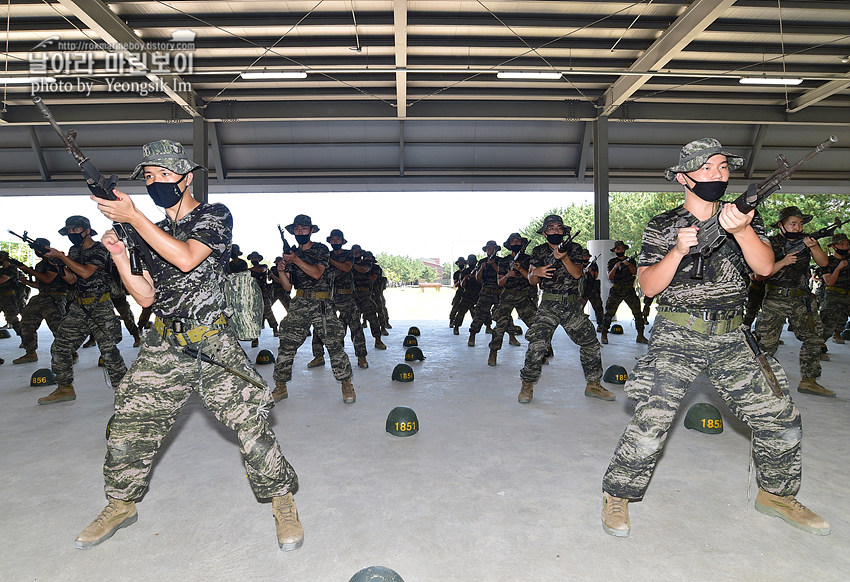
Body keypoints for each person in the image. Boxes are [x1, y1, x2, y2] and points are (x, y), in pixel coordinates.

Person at [74, 140, 302, 551]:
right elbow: (145, 297)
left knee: (251, 423)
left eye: (164, 174)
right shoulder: (148, 230)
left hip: (211, 341)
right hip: (165, 341)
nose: (155, 182)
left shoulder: (213, 216)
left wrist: (134, 218)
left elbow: (185, 258)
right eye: (148, 176)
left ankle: (281, 500)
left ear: (187, 177)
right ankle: (121, 504)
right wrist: (122, 257)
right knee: (130, 424)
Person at [601, 137, 829, 538]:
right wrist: (676, 251)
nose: (719, 174)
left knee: (781, 417)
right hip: (677, 333)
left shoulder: (748, 219)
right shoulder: (662, 224)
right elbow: (649, 287)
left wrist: (741, 231)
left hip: (732, 335)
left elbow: (764, 268)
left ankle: (775, 495)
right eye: (708, 168)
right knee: (652, 422)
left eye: (724, 167)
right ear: (685, 178)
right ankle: (618, 495)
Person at [518, 215, 612, 403]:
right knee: (537, 345)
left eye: (559, 228)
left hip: (571, 305)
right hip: (548, 304)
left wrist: (565, 257)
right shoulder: (538, 251)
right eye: (551, 228)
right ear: (545, 232)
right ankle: (527, 385)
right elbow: (532, 279)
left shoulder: (574, 248)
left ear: (564, 231)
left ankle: (593, 384)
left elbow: (577, 274)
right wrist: (534, 273)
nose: (555, 231)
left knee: (590, 343)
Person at [37, 216, 127, 405]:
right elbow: (72, 279)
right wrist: (60, 265)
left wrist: (62, 257)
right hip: (79, 306)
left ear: (87, 230)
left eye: (75, 230)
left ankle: (125, 394)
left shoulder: (100, 249)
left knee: (109, 352)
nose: (71, 234)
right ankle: (65, 388)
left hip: (100, 306)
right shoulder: (74, 251)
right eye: (68, 231)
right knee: (60, 347)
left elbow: (87, 272)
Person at [272, 215, 355, 403]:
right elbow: (287, 287)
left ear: (311, 230)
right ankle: (280, 386)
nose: (300, 232)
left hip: (322, 304)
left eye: (304, 229)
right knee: (287, 344)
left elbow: (317, 273)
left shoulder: (320, 249)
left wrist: (296, 260)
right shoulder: (292, 252)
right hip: (299, 302)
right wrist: (280, 270)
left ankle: (346, 383)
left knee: (334, 344)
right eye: (297, 229)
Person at [754, 206, 832, 397]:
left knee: (814, 338)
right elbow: (758, 275)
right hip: (775, 298)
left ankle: (809, 381)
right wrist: (783, 262)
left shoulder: (807, 242)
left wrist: (814, 246)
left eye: (801, 224)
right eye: (793, 223)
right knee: (765, 343)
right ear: (781, 225)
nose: (798, 228)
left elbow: (824, 264)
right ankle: (759, 382)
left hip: (802, 300)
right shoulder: (769, 243)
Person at [309, 229, 370, 369]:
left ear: (343, 241)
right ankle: (318, 356)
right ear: (329, 241)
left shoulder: (348, 254)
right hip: (327, 295)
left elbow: (347, 268)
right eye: (333, 239)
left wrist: (328, 259)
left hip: (346, 296)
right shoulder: (325, 254)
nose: (335, 242)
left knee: (356, 326)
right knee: (320, 325)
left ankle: (361, 357)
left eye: (338, 239)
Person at [11, 239, 70, 364]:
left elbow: (48, 279)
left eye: (38, 249)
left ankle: (71, 353)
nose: (36, 252)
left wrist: (27, 269)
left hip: (55, 298)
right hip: (42, 296)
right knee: (26, 323)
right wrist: (27, 282)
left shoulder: (54, 261)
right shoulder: (40, 265)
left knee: (58, 328)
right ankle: (30, 352)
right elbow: (42, 284)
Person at [488, 233, 534, 366]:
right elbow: (500, 283)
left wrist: (520, 269)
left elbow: (532, 279)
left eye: (518, 240)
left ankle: (540, 353)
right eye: (513, 241)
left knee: (534, 324)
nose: (516, 243)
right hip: (507, 295)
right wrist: (508, 275)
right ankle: (493, 352)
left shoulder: (528, 260)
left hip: (523, 295)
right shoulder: (503, 261)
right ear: (509, 244)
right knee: (500, 325)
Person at [600, 241, 648, 345]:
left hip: (629, 290)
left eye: (622, 249)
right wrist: (616, 267)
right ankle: (604, 335)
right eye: (618, 249)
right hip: (616, 290)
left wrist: (629, 264)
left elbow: (635, 272)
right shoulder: (612, 262)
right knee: (609, 313)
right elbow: (610, 277)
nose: (620, 250)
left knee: (637, 313)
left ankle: (640, 335)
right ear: (615, 250)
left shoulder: (631, 261)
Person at [468, 241, 501, 347]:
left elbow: (503, 275)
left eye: (492, 248)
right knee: (479, 314)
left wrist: (493, 264)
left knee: (504, 316)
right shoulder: (482, 261)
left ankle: (512, 337)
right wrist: (482, 267)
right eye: (488, 248)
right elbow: (478, 278)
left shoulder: (501, 261)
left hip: (499, 292)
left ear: (496, 250)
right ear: (486, 250)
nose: (490, 250)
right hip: (486, 291)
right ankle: (472, 336)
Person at [820, 233, 850, 347]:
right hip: (834, 295)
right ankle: (818, 347)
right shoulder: (826, 261)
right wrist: (839, 268)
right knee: (828, 325)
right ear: (834, 246)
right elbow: (829, 282)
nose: (845, 247)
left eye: (847, 244)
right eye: (842, 244)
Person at [247, 251, 279, 340]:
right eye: (252, 258)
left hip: (264, 292)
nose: (254, 259)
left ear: (259, 259)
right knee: (254, 314)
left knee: (268, 311)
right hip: (253, 293)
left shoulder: (263, 266)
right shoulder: (250, 271)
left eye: (255, 258)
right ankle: (255, 338)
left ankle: (275, 328)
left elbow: (262, 270)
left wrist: (249, 269)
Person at [452, 254, 481, 335]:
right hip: (467, 294)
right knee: (461, 311)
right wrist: (466, 278)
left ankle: (487, 326)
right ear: (468, 262)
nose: (472, 262)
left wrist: (476, 277)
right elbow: (461, 285)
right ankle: (456, 327)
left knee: (479, 313)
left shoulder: (480, 270)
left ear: (476, 262)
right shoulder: (464, 271)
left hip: (477, 294)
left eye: (473, 261)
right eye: (470, 261)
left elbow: (482, 282)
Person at [0, 251, 23, 340]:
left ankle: (25, 339)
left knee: (12, 319)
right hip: (1, 296)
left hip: (9, 298)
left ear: (4, 258)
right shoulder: (1, 270)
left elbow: (2, 279)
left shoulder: (12, 269)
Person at [580, 248, 604, 329]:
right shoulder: (577, 265)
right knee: (579, 308)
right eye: (583, 256)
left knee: (598, 307)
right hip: (582, 290)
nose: (585, 257)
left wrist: (590, 271)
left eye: (586, 256)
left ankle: (600, 325)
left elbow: (596, 276)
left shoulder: (593, 265)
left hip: (593, 289)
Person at [448, 256, 467, 327]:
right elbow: (455, 285)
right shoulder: (456, 273)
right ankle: (451, 321)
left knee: (472, 309)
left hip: (469, 292)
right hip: (460, 291)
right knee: (455, 307)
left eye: (462, 263)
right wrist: (460, 281)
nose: (461, 264)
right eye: (460, 263)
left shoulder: (469, 271)